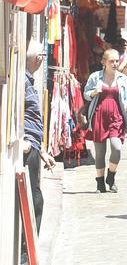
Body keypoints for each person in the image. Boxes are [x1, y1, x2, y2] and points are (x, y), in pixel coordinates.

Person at [20, 41, 56, 243]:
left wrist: (42, 150)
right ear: (39, 58)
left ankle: (28, 248)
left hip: (33, 146)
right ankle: (27, 251)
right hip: (27, 147)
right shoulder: (23, 82)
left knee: (35, 199)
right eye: (43, 54)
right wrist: (26, 141)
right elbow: (19, 116)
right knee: (34, 200)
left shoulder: (28, 81)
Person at [84, 49, 127, 193]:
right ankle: (100, 182)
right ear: (104, 62)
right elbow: (86, 94)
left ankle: (111, 176)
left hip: (116, 117)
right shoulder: (95, 77)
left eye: (117, 61)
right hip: (99, 116)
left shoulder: (122, 79)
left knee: (116, 147)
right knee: (100, 153)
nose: (115, 63)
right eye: (111, 61)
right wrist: (93, 93)